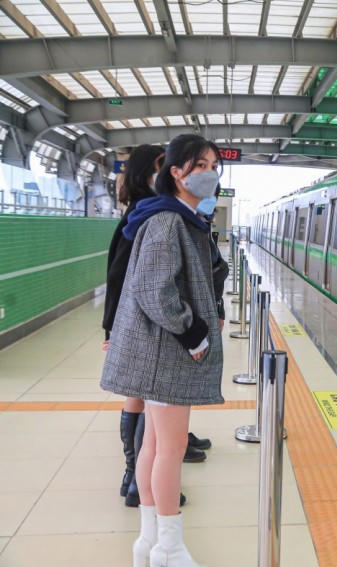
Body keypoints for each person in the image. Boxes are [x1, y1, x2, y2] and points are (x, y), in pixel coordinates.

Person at [101, 134, 226, 567]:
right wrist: (194, 334)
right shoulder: (168, 220)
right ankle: (169, 548)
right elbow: (154, 290)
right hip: (166, 352)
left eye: (214, 165)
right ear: (176, 172)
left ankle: (150, 542)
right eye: (200, 165)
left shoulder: (174, 217)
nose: (210, 173)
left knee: (154, 447)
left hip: (159, 350)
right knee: (169, 451)